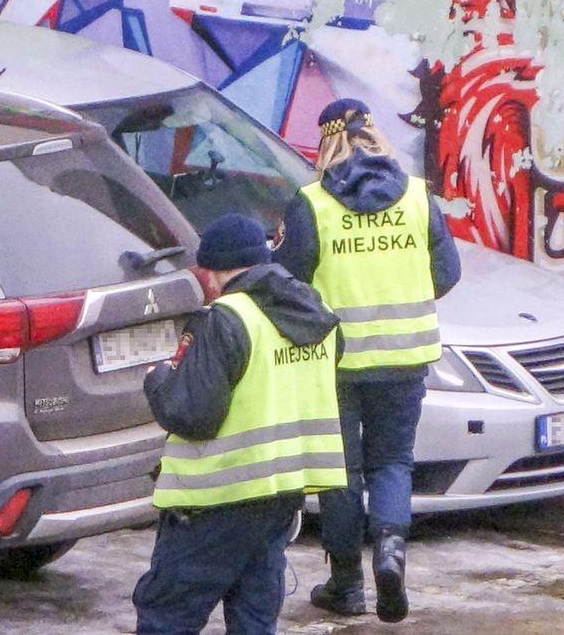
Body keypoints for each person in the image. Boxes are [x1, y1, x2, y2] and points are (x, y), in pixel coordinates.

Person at [273, 98, 460, 623]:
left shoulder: (311, 204)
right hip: (405, 358)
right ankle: (391, 553)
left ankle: (347, 585)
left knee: (341, 471)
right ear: (373, 135)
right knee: (392, 462)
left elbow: (285, 283)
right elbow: (446, 274)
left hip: (333, 360)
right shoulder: (420, 198)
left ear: (328, 141)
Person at [133, 212, 347, 635]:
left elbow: (193, 414)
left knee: (167, 613)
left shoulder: (225, 318)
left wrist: (158, 381)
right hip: (281, 493)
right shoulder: (317, 310)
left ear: (213, 271)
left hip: (216, 498)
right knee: (254, 615)